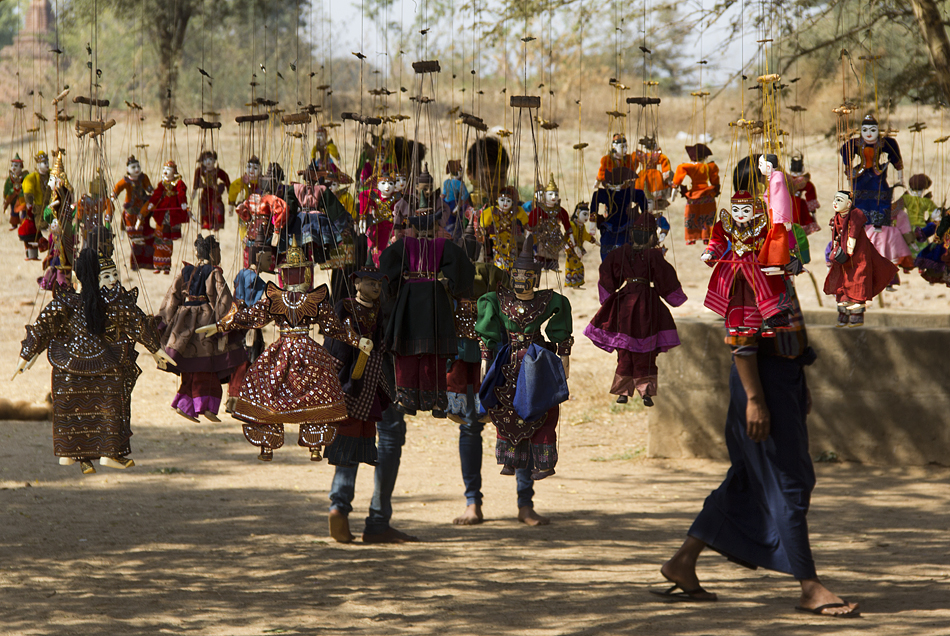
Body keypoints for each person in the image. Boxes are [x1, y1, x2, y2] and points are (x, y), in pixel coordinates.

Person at [656, 287, 860, 618]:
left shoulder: (773, 266)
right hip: (761, 383)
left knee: (747, 479)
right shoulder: (748, 268)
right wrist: (755, 400)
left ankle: (683, 562)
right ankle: (809, 586)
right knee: (787, 482)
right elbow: (742, 339)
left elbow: (784, 330)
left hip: (782, 378)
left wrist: (799, 383)